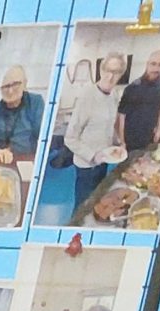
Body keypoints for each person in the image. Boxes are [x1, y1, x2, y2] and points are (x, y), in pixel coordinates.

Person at [62, 52, 128, 220]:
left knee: (97, 204)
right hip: (87, 165)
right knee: (82, 208)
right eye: (108, 70)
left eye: (116, 72)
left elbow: (107, 125)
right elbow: (70, 138)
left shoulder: (113, 95)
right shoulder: (87, 96)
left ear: (121, 74)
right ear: (101, 69)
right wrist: (93, 155)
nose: (111, 76)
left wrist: (118, 142)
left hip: (104, 162)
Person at [118, 49, 160, 153]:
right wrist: (122, 142)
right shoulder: (132, 88)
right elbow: (121, 117)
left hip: (149, 137)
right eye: (153, 64)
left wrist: (158, 129)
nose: (156, 68)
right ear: (147, 64)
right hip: (131, 141)